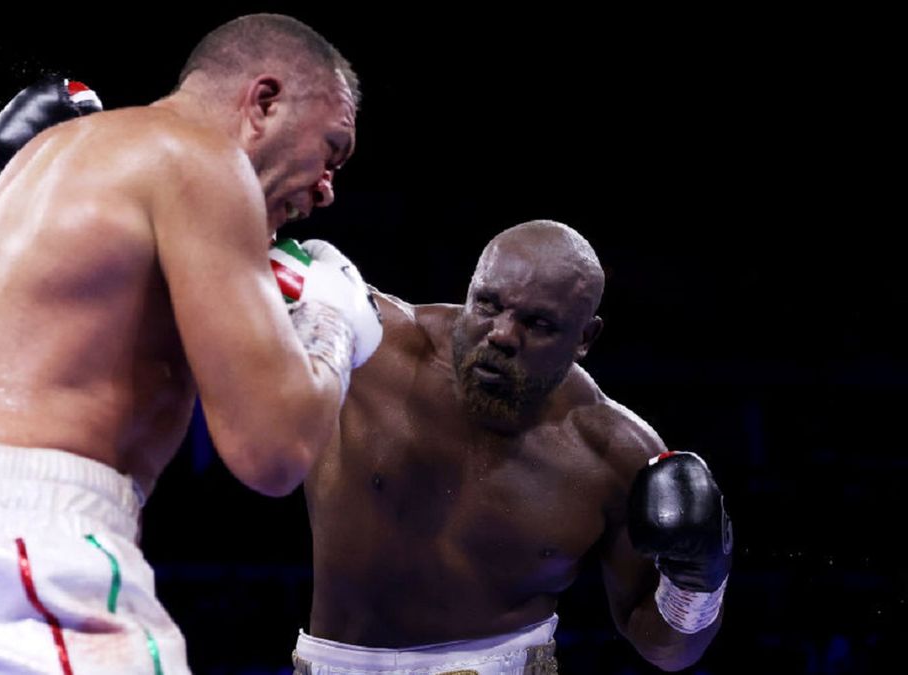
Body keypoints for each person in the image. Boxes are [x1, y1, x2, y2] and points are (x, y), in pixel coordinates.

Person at [0, 13, 381, 675]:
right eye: (333, 148)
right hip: (23, 560)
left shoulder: (52, 165)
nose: (328, 186)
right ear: (264, 101)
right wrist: (332, 315)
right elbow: (275, 449)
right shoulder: (201, 159)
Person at [292, 220, 733, 674]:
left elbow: (666, 650)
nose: (501, 334)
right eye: (488, 304)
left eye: (537, 323)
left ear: (585, 338)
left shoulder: (615, 456)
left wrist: (698, 584)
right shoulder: (370, 345)